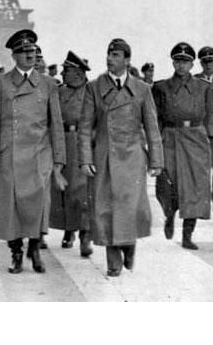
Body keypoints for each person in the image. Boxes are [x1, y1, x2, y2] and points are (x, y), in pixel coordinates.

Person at [78, 38, 163, 277]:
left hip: (133, 156)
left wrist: (156, 161)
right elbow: (85, 127)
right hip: (104, 155)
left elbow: (152, 126)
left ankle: (129, 244)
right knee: (105, 208)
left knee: (129, 206)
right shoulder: (94, 88)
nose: (109, 59)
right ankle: (113, 260)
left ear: (127, 60)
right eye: (108, 54)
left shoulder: (142, 90)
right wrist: (85, 159)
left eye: (115, 55)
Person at [0, 29, 67, 275]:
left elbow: (56, 123)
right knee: (11, 205)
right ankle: (16, 251)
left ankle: (34, 247)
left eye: (33, 51)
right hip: (9, 152)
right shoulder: (0, 83)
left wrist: (59, 158)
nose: (31, 55)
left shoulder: (49, 84)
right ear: (14, 56)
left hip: (39, 153)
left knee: (37, 202)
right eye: (25, 52)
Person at [152, 42, 212, 250]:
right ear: (173, 62)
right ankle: (170, 214)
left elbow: (209, 116)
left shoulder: (203, 87)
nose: (181, 66)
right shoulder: (161, 87)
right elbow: (155, 118)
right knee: (168, 182)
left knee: (196, 186)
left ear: (192, 63)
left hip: (195, 138)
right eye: (178, 61)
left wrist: (204, 140)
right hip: (170, 137)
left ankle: (188, 234)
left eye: (186, 62)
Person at [49, 51, 93, 257]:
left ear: (79, 73)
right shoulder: (59, 92)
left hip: (83, 143)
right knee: (63, 191)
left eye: (66, 70)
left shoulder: (92, 92)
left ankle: (85, 234)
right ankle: (69, 230)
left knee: (82, 191)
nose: (62, 73)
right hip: (61, 142)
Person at [195, 46, 213, 214]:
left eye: (211, 61)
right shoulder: (194, 80)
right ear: (201, 63)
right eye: (205, 61)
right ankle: (203, 197)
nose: (208, 64)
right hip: (199, 131)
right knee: (200, 168)